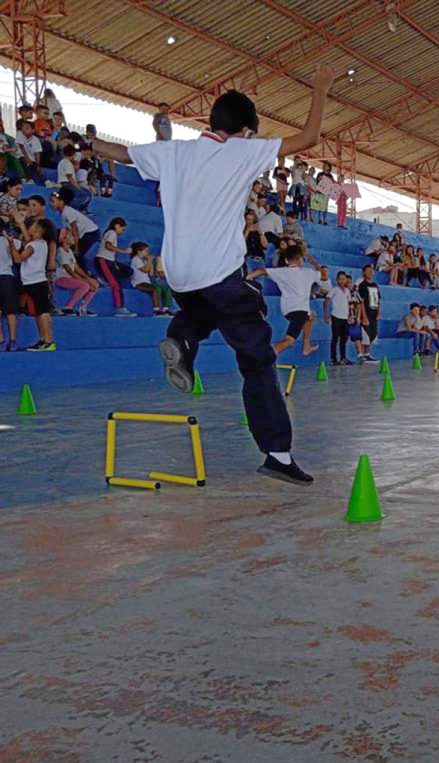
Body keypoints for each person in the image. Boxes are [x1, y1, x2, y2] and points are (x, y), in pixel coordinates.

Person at [87, 63, 338, 485]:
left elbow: (120, 153)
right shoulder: (240, 150)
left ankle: (182, 338)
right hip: (219, 271)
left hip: (179, 273)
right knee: (257, 359)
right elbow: (309, 138)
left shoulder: (175, 151)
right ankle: (277, 453)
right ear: (243, 131)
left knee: (206, 309)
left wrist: (88, 143)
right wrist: (319, 87)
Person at [246, 245, 321, 357]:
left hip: (287, 311)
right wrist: (315, 263)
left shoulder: (282, 272)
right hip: (300, 311)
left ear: (286, 260)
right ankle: (266, 356)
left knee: (311, 316)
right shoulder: (308, 272)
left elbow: (261, 270)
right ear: (301, 260)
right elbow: (323, 275)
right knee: (289, 341)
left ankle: (306, 346)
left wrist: (247, 278)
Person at [6, 217, 57, 351]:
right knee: (38, 313)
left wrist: (11, 244)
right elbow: (28, 240)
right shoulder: (41, 243)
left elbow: (18, 259)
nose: (31, 227)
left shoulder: (33, 245)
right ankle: (43, 340)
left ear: (39, 230)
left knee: (43, 312)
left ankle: (48, 341)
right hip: (34, 282)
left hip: (35, 282)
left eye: (34, 225)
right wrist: (21, 224)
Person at [51, 188, 101, 278]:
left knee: (77, 253)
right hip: (86, 234)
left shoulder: (67, 212)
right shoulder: (64, 213)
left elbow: (75, 230)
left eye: (53, 201)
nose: (51, 204)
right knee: (74, 252)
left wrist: (76, 247)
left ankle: (87, 276)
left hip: (91, 233)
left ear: (61, 202)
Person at [97, 216, 136, 317]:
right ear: (117, 226)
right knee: (116, 285)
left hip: (110, 261)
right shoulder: (112, 233)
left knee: (128, 271)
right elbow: (108, 246)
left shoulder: (110, 233)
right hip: (103, 261)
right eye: (122, 229)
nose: (122, 232)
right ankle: (120, 308)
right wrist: (123, 251)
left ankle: (105, 279)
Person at [54, 229, 98, 316]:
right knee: (85, 285)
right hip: (60, 278)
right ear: (63, 239)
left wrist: (88, 279)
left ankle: (82, 308)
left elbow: (76, 267)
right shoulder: (60, 251)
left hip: (69, 278)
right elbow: (69, 271)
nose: (74, 237)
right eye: (71, 236)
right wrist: (85, 281)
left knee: (95, 283)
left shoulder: (69, 251)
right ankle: (67, 307)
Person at [130, 242, 174, 316]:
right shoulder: (135, 259)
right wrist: (149, 260)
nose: (148, 253)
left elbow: (150, 273)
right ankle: (156, 310)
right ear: (139, 252)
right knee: (155, 289)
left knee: (166, 289)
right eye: (146, 251)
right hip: (138, 283)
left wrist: (150, 262)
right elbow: (145, 270)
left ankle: (165, 310)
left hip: (147, 282)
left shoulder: (144, 260)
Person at [0, 226, 20, 350]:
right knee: (10, 311)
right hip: (7, 277)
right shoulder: (6, 239)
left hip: (6, 277)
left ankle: (2, 341)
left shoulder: (5, 239)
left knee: (8, 310)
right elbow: (19, 244)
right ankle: (12, 341)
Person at [355, 262, 380, 362]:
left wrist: (378, 312)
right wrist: (364, 316)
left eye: (371, 271)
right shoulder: (362, 285)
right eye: (368, 271)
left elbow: (379, 299)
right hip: (367, 313)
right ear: (364, 273)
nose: (370, 272)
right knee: (365, 333)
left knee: (372, 334)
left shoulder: (375, 285)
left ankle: (367, 353)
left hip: (374, 312)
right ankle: (364, 354)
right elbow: (361, 301)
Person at [57, 144, 92, 212]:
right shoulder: (67, 163)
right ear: (72, 154)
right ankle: (70, 209)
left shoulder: (64, 162)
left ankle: (82, 209)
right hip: (66, 183)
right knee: (82, 194)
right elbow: (69, 177)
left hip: (67, 183)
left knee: (88, 193)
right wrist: (76, 186)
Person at [13, 120, 43, 184]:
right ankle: (28, 179)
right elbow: (21, 147)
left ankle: (46, 181)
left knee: (36, 168)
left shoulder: (36, 140)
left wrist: (38, 165)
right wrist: (27, 158)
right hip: (20, 156)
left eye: (27, 128)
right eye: (23, 127)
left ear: (33, 131)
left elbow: (37, 154)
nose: (24, 129)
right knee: (24, 160)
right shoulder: (20, 135)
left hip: (31, 159)